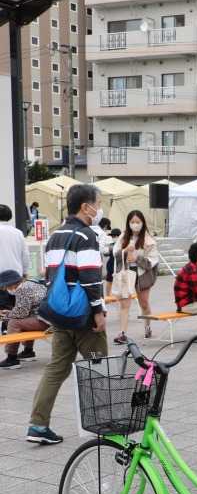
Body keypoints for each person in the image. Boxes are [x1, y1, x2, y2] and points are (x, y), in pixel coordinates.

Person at [28, 183, 107, 445]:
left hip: (60, 316)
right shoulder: (86, 236)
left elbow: (51, 276)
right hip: (84, 318)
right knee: (98, 365)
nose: (100, 207)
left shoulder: (55, 236)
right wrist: (98, 312)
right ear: (86, 207)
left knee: (56, 369)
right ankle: (103, 422)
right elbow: (90, 278)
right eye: (99, 202)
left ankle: (38, 425)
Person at [112, 211, 159, 345]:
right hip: (126, 272)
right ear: (128, 223)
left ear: (143, 223)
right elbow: (115, 253)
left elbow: (153, 259)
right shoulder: (123, 237)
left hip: (142, 274)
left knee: (143, 302)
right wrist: (125, 251)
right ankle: (122, 333)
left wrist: (137, 259)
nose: (135, 225)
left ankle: (147, 326)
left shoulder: (149, 240)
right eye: (132, 222)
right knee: (124, 303)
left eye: (138, 222)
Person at [0, 270, 48, 369]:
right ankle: (28, 352)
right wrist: (10, 312)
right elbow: (26, 309)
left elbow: (21, 312)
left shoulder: (22, 288)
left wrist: (5, 318)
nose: (5, 290)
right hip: (50, 319)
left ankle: (11, 359)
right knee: (23, 320)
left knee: (13, 322)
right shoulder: (32, 282)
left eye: (5, 287)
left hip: (45, 321)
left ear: (12, 283)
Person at [0, 204, 29, 315]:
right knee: (15, 309)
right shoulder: (18, 232)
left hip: (1, 279)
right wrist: (25, 271)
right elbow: (25, 254)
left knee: (2, 312)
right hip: (17, 278)